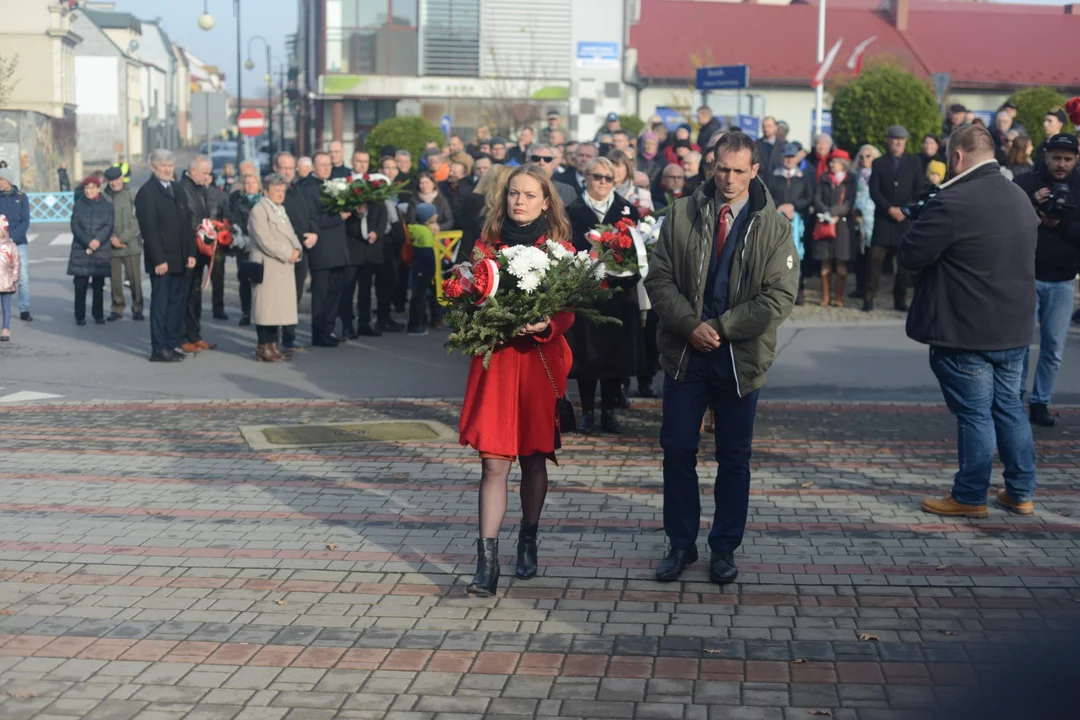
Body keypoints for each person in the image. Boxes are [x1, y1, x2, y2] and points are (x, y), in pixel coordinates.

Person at [645, 131, 799, 585]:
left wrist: (723, 328)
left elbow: (778, 299)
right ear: (710, 167)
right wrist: (691, 326)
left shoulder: (772, 225)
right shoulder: (681, 213)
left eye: (738, 170)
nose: (728, 179)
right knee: (677, 449)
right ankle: (680, 543)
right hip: (685, 354)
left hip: (739, 357)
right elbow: (659, 279)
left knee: (734, 457)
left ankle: (724, 548)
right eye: (721, 168)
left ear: (754, 171)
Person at [898, 124, 1039, 519]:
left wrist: (922, 215)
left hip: (965, 331)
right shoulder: (1019, 196)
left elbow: (910, 254)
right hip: (1014, 330)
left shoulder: (953, 201)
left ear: (957, 156)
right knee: (1010, 408)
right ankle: (1020, 492)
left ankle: (971, 496)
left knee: (976, 415)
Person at [457, 164, 574, 596]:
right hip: (497, 364)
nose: (519, 201)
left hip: (540, 363)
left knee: (534, 457)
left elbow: (568, 309)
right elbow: (469, 301)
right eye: (513, 193)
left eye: (528, 194)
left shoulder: (559, 249)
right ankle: (486, 562)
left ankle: (528, 537)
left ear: (546, 201)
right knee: (492, 461)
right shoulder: (486, 246)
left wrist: (547, 323)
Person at [566, 157, 641, 434]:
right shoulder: (571, 210)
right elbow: (564, 247)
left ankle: (609, 411)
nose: (602, 182)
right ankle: (587, 412)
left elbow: (639, 252)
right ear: (585, 177)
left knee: (614, 355)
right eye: (596, 176)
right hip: (585, 292)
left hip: (618, 295)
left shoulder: (627, 209)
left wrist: (624, 269)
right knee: (586, 355)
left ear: (615, 180)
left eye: (607, 178)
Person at [1014, 133, 1080, 428]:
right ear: (1046, 156)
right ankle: (1014, 400)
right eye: (1057, 158)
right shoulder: (1028, 183)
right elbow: (1008, 216)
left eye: (1067, 159)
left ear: (1076, 159)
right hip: (1027, 276)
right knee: (1020, 344)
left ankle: (1040, 402)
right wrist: (1032, 202)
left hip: (1063, 280)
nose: (1061, 164)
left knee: (1053, 347)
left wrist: (1058, 222)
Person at [135, 150, 196, 362]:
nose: (168, 169)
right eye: (163, 166)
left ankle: (172, 343)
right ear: (153, 167)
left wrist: (191, 252)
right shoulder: (146, 193)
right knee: (161, 304)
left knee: (176, 303)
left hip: (180, 257)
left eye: (170, 165)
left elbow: (186, 224)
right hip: (162, 261)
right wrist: (159, 259)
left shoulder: (178, 190)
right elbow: (149, 230)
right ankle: (159, 348)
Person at [865, 125, 924, 312]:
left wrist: (905, 210)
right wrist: (889, 208)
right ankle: (868, 297)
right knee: (874, 260)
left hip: (905, 220)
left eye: (901, 140)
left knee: (904, 264)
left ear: (905, 142)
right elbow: (874, 190)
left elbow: (919, 190)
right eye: (894, 139)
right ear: (888, 141)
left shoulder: (914, 162)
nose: (897, 143)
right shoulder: (879, 163)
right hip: (884, 218)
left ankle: (900, 298)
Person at [247, 173, 304, 362]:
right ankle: (263, 347)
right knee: (266, 310)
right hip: (268, 266)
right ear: (266, 191)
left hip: (282, 266)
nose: (280, 194)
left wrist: (297, 249)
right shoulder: (259, 210)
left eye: (282, 190)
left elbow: (291, 233)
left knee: (276, 310)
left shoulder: (280, 209)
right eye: (276, 190)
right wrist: (288, 253)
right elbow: (265, 240)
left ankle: (273, 346)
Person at [304, 151, 351, 347]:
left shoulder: (334, 184)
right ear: (313, 167)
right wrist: (337, 217)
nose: (326, 168)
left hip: (338, 249)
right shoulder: (307, 188)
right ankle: (319, 333)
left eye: (328, 164)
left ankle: (329, 329)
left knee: (334, 294)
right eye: (321, 164)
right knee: (321, 295)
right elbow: (310, 219)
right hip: (322, 250)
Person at [273, 151, 318, 353]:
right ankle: (272, 339)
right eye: (285, 168)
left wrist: (314, 233)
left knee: (295, 295)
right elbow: (281, 224)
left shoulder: (301, 190)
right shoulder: (273, 193)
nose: (289, 172)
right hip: (282, 252)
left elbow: (312, 214)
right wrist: (301, 237)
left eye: (291, 168)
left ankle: (289, 337)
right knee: (278, 296)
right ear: (276, 169)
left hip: (302, 251)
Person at [178, 156, 217, 353]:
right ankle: (183, 336)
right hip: (188, 249)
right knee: (185, 294)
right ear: (193, 170)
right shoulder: (182, 188)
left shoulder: (201, 189)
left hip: (201, 247)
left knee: (195, 293)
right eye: (204, 173)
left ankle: (195, 334)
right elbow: (184, 221)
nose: (207, 177)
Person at [767, 143, 814, 304]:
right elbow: (767, 195)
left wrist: (793, 205)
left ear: (796, 158)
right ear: (781, 158)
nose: (788, 160)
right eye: (786, 157)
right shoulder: (773, 177)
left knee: (797, 257)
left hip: (798, 223)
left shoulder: (803, 178)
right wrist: (780, 206)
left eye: (791, 157)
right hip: (776, 222)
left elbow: (809, 198)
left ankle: (798, 291)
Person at [68, 176, 114, 326]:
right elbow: (75, 226)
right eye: (87, 188)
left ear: (98, 189)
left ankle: (98, 314)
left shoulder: (107, 206)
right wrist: (87, 241)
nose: (89, 191)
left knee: (98, 285)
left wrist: (97, 241)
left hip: (100, 249)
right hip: (81, 249)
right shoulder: (79, 205)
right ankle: (79, 316)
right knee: (80, 284)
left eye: (92, 187)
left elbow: (108, 226)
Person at [813, 150, 856, 308]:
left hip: (843, 225)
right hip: (825, 223)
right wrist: (826, 212)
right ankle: (825, 296)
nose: (831, 164)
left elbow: (850, 202)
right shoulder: (823, 179)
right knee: (825, 261)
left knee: (841, 262)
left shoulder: (850, 180)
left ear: (843, 164)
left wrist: (834, 213)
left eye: (835, 162)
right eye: (830, 162)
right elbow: (817, 199)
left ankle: (838, 297)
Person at [103, 167, 143, 322]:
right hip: (112, 244)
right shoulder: (104, 196)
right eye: (111, 181)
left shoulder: (131, 193)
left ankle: (137, 307)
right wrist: (112, 238)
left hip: (131, 245)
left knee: (134, 278)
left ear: (122, 178)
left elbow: (137, 219)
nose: (114, 183)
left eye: (117, 180)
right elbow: (102, 220)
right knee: (115, 280)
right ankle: (117, 308)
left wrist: (123, 239)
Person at [228, 173, 262, 326]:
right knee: (245, 280)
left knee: (261, 280)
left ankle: (260, 311)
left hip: (262, 246)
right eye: (246, 183)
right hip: (244, 245)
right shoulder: (238, 202)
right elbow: (235, 220)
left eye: (253, 182)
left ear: (258, 184)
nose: (250, 185)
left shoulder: (264, 201)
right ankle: (246, 311)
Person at [0, 168, 30, 322]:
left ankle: (24, 308)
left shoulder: (21, 197)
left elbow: (25, 221)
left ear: (9, 181)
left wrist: (12, 236)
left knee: (22, 277)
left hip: (18, 243)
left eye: (1, 179)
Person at [852, 144, 881, 299]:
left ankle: (869, 288)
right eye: (862, 156)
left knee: (872, 254)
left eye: (868, 156)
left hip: (874, 215)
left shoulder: (878, 174)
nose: (864, 159)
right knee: (859, 254)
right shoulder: (856, 175)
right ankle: (859, 286)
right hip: (858, 216)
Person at [0, 214, 20, 341]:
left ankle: (5, 328)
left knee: (6, 306)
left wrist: (14, 277)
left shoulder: (10, 245)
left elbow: (16, 263)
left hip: (6, 280)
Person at [438, 161, 473, 232]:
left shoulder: (470, 188)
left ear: (463, 175)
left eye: (455, 172)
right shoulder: (440, 186)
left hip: (463, 225)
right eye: (450, 171)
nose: (450, 174)